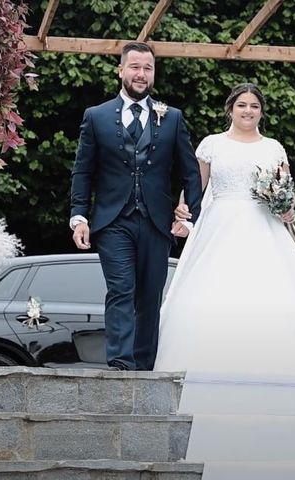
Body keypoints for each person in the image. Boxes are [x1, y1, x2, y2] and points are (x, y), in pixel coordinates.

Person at [154, 83, 295, 375]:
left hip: (264, 227)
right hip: (219, 226)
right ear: (230, 109)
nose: (248, 111)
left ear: (261, 112)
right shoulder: (213, 144)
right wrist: (185, 216)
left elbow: (285, 187)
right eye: (242, 105)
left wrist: (287, 206)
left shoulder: (272, 147)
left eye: (254, 106)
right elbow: (195, 187)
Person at [70, 42, 202, 371]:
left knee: (149, 296)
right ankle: (121, 365)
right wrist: (79, 216)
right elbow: (83, 170)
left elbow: (190, 172)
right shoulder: (96, 117)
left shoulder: (172, 118)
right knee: (121, 289)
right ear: (121, 70)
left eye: (147, 68)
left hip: (157, 222)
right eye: (135, 67)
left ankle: (144, 368)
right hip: (113, 221)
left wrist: (191, 220)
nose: (141, 74)